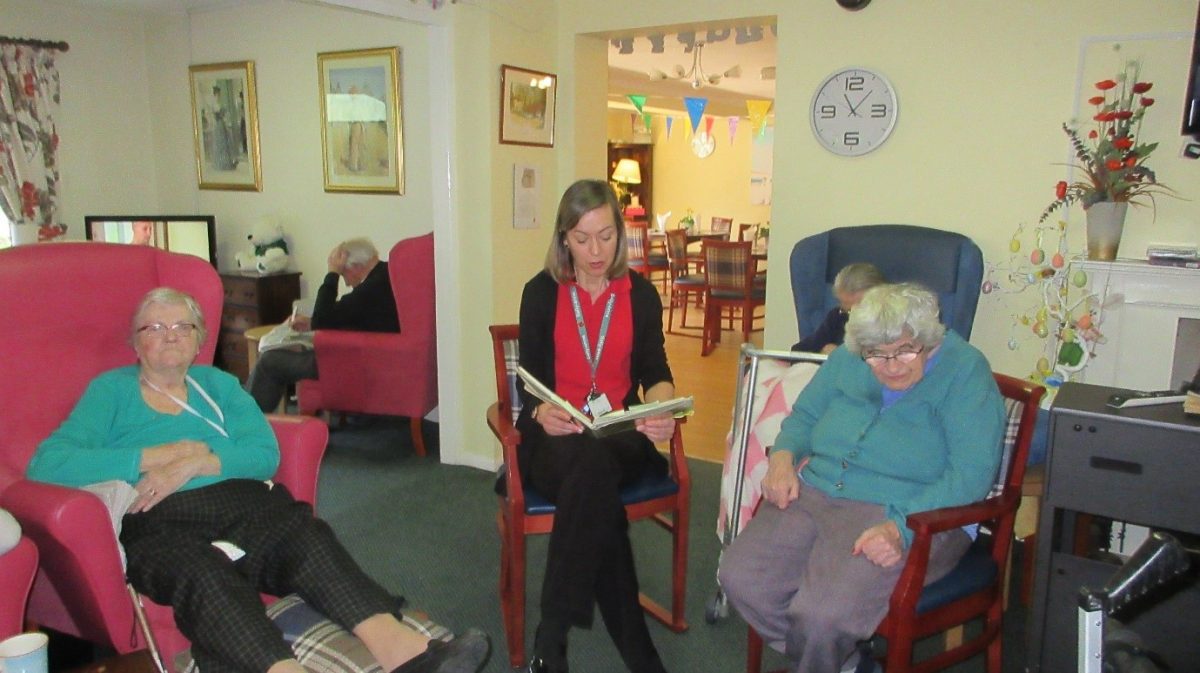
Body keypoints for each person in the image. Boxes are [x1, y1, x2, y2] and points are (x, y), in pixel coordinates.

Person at [26, 287, 489, 673]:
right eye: (155, 327)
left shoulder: (219, 386)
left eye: (183, 326)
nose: (170, 336)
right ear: (135, 342)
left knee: (303, 534)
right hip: (156, 516)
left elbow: (263, 453)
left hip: (242, 502)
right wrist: (156, 456)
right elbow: (49, 464)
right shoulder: (111, 391)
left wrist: (199, 461)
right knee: (201, 573)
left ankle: (406, 653)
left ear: (199, 338)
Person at [719, 283, 1005, 673]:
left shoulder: (966, 370)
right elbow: (805, 416)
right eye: (875, 355)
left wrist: (900, 528)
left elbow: (971, 475)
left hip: (911, 512)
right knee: (741, 579)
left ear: (929, 338)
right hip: (818, 490)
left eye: (905, 351)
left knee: (823, 618)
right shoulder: (848, 357)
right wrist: (783, 459)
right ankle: (848, 664)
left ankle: (829, 659)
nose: (891, 366)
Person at [514, 179, 677, 673]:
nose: (596, 251)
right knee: (594, 482)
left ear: (620, 233)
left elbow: (656, 371)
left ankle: (552, 634)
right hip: (556, 435)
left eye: (606, 236)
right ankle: (639, 654)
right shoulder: (540, 293)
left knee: (595, 461)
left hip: (618, 433)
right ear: (564, 238)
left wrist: (660, 409)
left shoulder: (640, 295)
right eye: (582, 239)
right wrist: (541, 411)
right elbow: (529, 380)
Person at [246, 237, 399, 412]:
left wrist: (332, 274)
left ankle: (245, 419)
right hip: (369, 354)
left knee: (269, 361)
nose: (347, 283)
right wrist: (312, 323)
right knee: (285, 352)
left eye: (343, 274)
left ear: (356, 267)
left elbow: (323, 318)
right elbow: (346, 316)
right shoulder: (386, 275)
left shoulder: (371, 288)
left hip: (355, 361)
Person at [791, 263, 884, 354]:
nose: (852, 317)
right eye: (845, 306)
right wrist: (822, 353)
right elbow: (798, 351)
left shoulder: (888, 322)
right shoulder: (839, 316)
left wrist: (840, 354)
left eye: (858, 308)